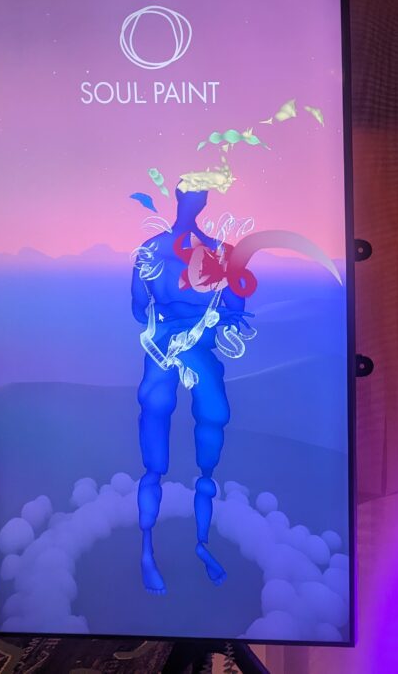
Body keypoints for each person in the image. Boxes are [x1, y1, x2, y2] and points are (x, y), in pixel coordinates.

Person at [131, 186, 250, 595]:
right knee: (161, 444)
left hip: (189, 351)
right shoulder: (155, 251)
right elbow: (138, 309)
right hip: (166, 351)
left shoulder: (215, 252)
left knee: (209, 429)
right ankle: (150, 551)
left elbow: (235, 308)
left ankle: (197, 544)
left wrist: (198, 320)